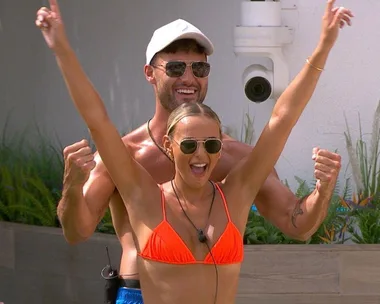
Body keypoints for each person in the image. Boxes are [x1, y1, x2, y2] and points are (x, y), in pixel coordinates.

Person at [35, 0, 352, 303]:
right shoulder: (128, 162)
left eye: (199, 68)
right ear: (150, 72)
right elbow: (77, 230)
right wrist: (72, 185)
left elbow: (297, 221)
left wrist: (323, 189)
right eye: (175, 67)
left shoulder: (235, 166)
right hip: (136, 293)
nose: (188, 77)